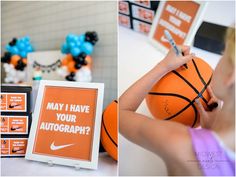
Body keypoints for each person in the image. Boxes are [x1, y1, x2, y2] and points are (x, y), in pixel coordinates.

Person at [119, 27, 235, 176]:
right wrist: (212, 132)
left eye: (222, 54)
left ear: (231, 77)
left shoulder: (180, 144)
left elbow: (120, 113)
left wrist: (163, 66)